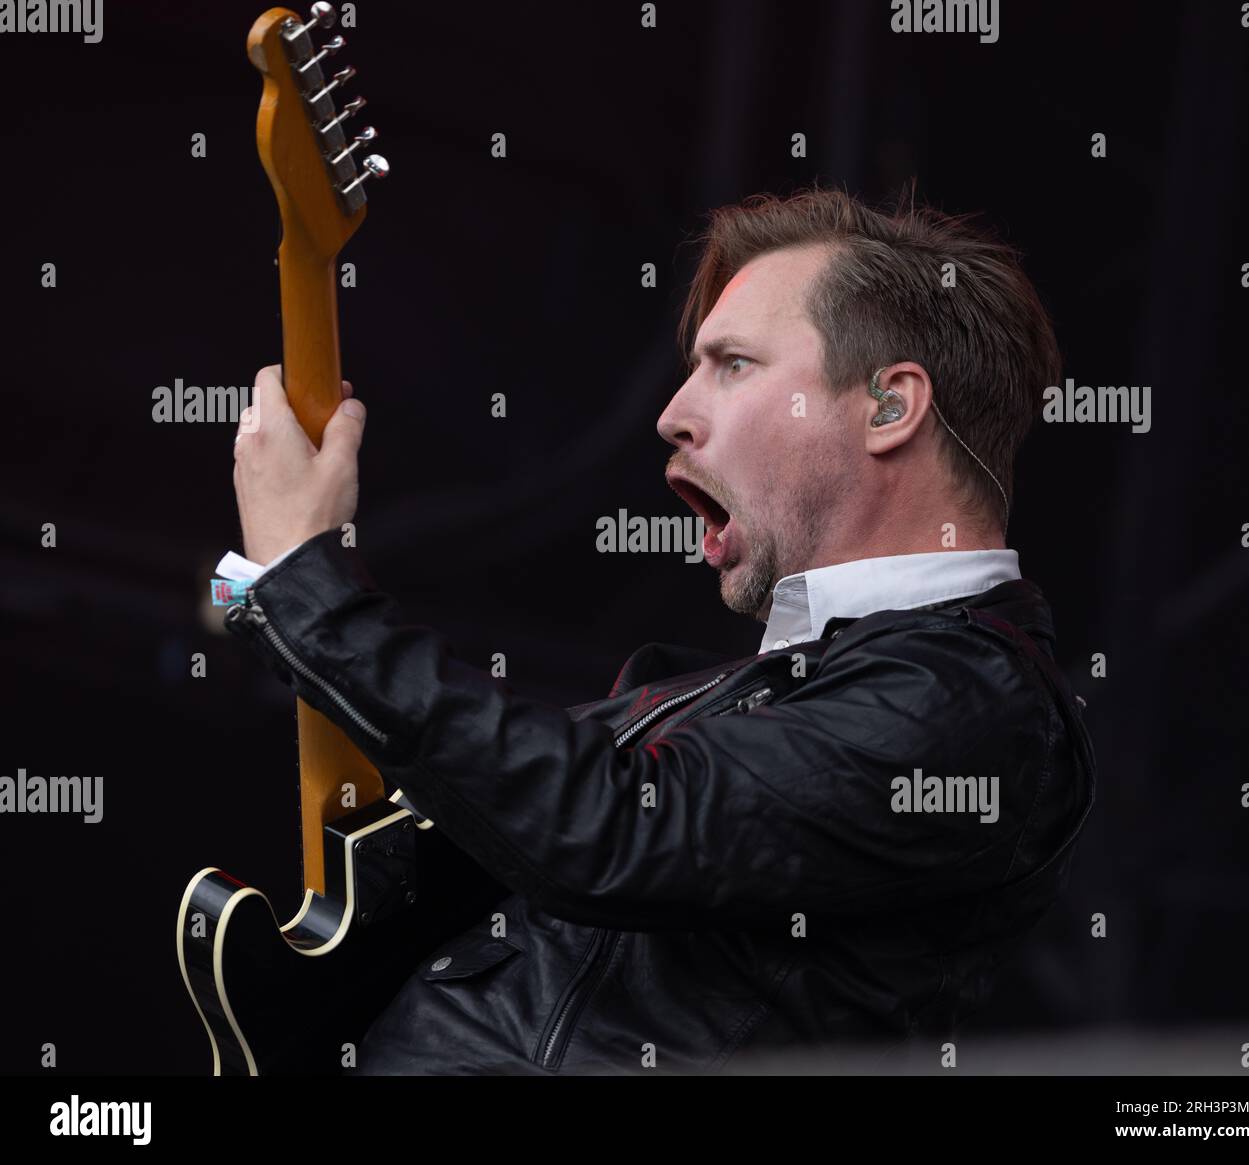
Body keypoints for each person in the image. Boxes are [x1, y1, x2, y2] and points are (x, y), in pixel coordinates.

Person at [218, 186, 1095, 1075]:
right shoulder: (764, 689)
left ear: (886, 406)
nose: (673, 411)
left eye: (734, 364)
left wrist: (301, 580)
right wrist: (272, 596)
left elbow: (610, 827)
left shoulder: (970, 703)